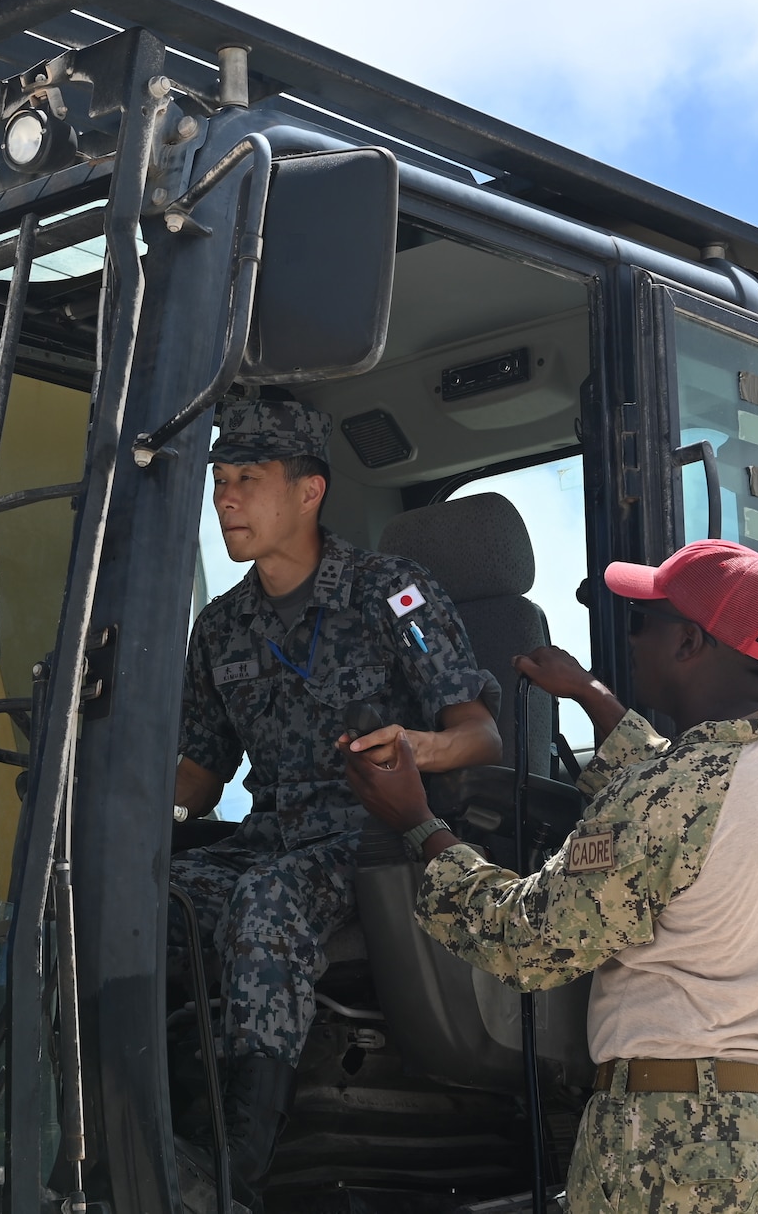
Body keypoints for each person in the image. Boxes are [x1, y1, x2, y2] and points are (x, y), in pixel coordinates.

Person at [343, 539, 758, 1213]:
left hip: (676, 1139)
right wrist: (591, 695)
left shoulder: (663, 801)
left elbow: (527, 939)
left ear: (689, 644)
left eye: (642, 622)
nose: (631, 639)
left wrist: (416, 822)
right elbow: (695, 803)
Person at [172, 397, 504, 1193]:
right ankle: (142, 1129)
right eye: (219, 479)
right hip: (269, 838)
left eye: (248, 477)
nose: (226, 497)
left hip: (373, 844)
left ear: (309, 490)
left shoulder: (391, 593)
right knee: (139, 898)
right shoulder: (220, 627)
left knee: (266, 901)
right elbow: (199, 774)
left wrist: (416, 747)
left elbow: (482, 733)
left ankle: (238, 1166)